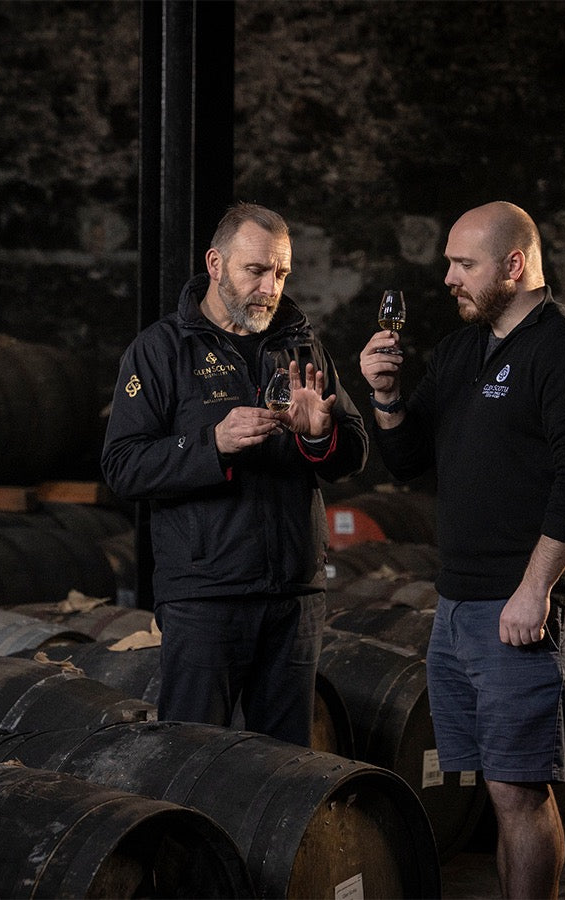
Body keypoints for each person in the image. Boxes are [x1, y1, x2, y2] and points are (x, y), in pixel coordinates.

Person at [359, 201, 565, 899]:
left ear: (514, 265)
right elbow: (414, 460)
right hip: (459, 603)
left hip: (521, 607)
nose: (448, 277)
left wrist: (535, 590)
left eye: (463, 264)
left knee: (520, 791)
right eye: (448, 261)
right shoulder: (461, 352)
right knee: (492, 785)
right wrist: (385, 397)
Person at [101, 202, 368, 747]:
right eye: (256, 270)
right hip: (206, 596)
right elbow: (122, 467)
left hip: (294, 596)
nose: (270, 287)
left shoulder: (302, 344)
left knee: (285, 769)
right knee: (193, 758)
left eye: (281, 273)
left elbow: (355, 452)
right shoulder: (160, 351)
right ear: (216, 264)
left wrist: (319, 435)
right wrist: (211, 444)